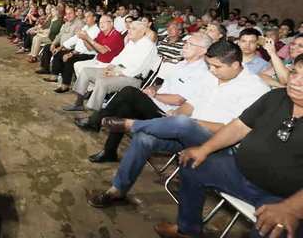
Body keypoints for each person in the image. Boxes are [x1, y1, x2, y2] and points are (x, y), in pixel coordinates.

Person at [87, 41, 269, 209]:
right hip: (185, 132)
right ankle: (117, 190)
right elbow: (190, 105)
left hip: (217, 144)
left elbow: (232, 129)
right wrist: (172, 121)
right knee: (145, 139)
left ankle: (131, 124)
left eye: (217, 67)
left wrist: (187, 123)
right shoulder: (211, 77)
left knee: (184, 123)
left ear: (236, 65)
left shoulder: (255, 89)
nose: (212, 70)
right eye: (209, 66)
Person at [155, 54, 303, 238]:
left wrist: (292, 208)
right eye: (295, 72)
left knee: (274, 229)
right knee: (192, 162)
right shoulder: (275, 97)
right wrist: (204, 149)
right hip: (239, 172)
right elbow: (239, 127)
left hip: (284, 197)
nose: (295, 81)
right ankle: (187, 229)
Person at [76, 32, 212, 164]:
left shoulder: (201, 73)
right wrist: (154, 88)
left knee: (129, 92)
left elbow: (179, 100)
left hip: (167, 116)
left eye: (190, 44)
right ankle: (109, 152)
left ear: (202, 51)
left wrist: (156, 95)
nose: (185, 45)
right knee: (125, 108)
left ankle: (96, 120)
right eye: (186, 42)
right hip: (155, 104)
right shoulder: (182, 64)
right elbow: (166, 86)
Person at [64, 20, 157, 111]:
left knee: (102, 82)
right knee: (86, 71)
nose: (129, 31)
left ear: (141, 32)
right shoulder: (132, 42)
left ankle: (93, 116)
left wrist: (116, 72)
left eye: (133, 29)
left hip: (133, 78)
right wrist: (110, 67)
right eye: (129, 28)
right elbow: (119, 58)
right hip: (119, 71)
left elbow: (136, 69)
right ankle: (78, 103)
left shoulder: (148, 46)